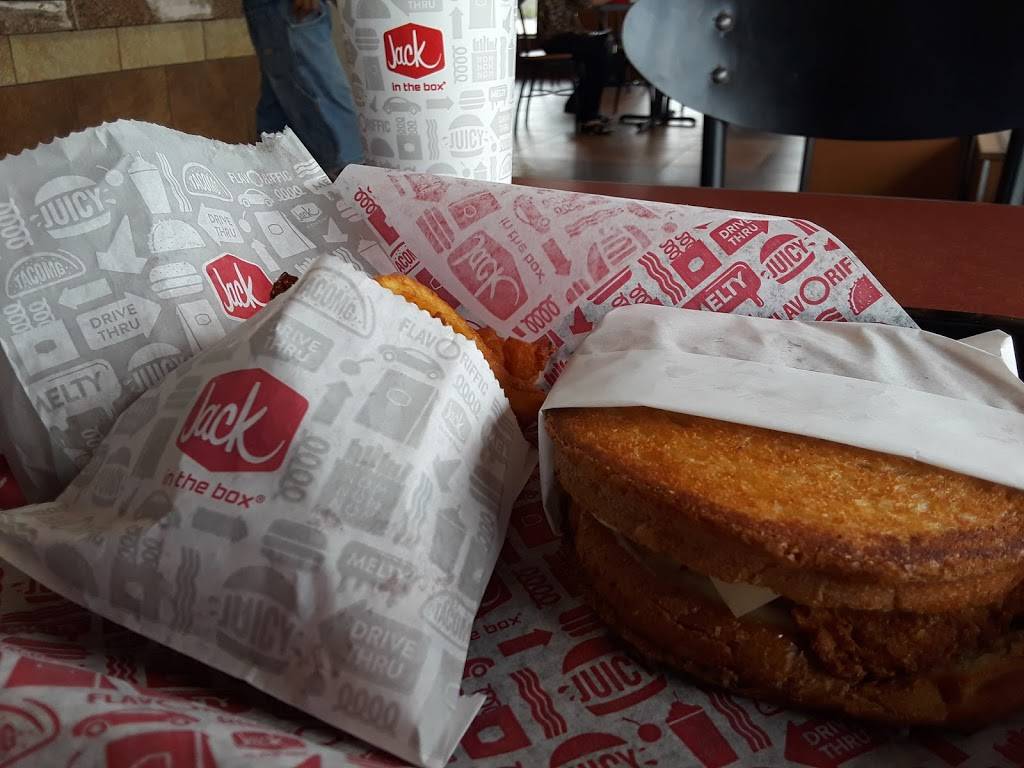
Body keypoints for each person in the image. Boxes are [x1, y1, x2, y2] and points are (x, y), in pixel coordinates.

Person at [243, 0, 364, 177]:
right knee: (325, 103)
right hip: (286, 8)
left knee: (279, 110)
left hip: (279, 10)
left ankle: (279, 176)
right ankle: (354, 178)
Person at [537, 0, 614, 135]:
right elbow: (592, 2)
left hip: (565, 36)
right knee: (599, 50)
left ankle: (579, 105)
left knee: (602, 46)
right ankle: (587, 116)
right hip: (555, 38)